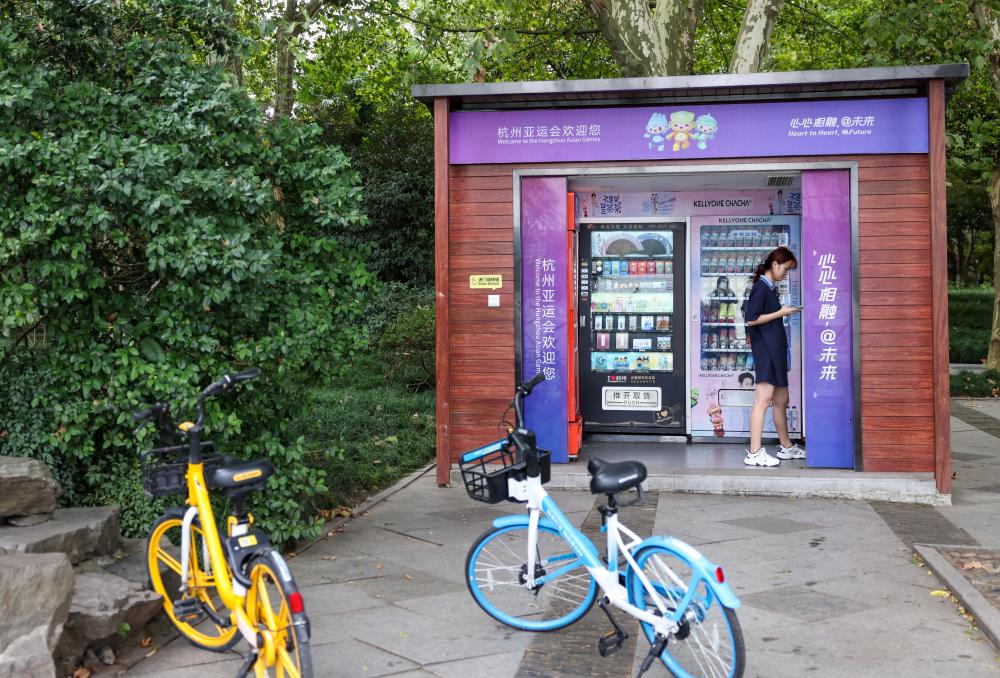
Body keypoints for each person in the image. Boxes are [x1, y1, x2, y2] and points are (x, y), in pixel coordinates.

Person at [741, 246, 805, 467]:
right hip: (767, 351)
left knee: (781, 400)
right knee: (763, 401)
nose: (786, 274)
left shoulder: (770, 287)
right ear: (775, 265)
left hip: (775, 352)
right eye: (785, 269)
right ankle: (754, 452)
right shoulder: (761, 287)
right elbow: (751, 319)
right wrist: (781, 312)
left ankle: (786, 446)